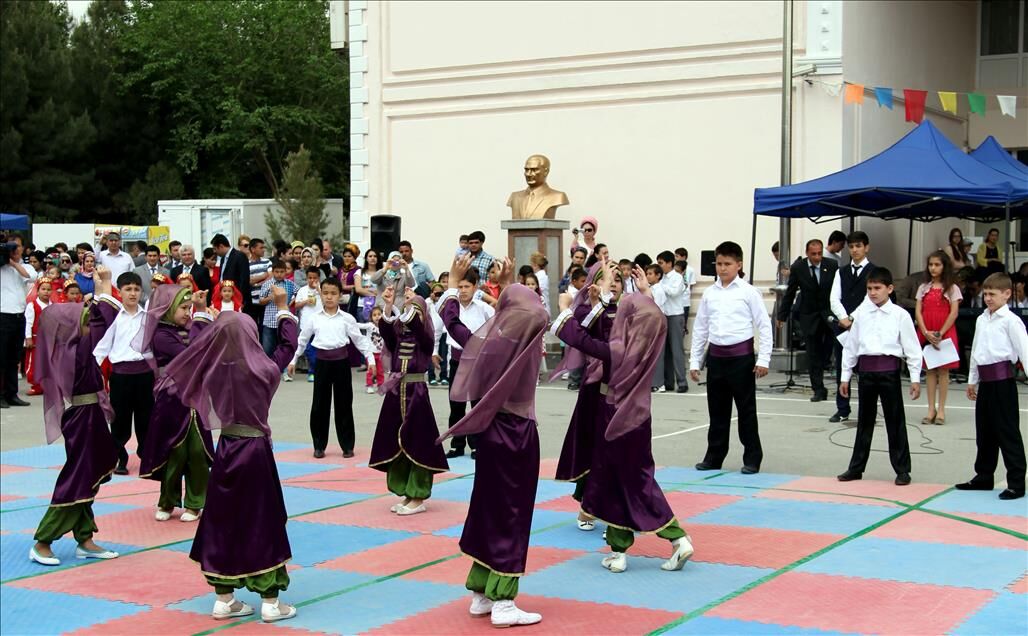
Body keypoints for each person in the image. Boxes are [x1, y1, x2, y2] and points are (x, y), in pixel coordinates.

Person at [553, 262, 694, 574]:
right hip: (637, 414)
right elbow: (646, 318)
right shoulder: (644, 339)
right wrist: (644, 294)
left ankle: (677, 537)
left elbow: (581, 338)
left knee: (634, 482)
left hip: (615, 414)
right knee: (617, 479)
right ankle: (619, 551)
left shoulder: (618, 351)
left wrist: (564, 309)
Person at [167, 292, 299, 623]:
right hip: (255, 452)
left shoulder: (210, 371)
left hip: (226, 449)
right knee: (262, 520)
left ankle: (223, 599)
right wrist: (282, 309)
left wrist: (201, 316)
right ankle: (270, 601)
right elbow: (288, 345)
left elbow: (197, 343)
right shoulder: (264, 370)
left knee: (222, 519)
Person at [438, 255, 547, 628]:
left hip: (488, 434)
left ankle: (481, 592)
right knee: (513, 513)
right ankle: (503, 601)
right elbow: (535, 312)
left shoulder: (487, 344)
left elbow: (454, 322)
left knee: (487, 508)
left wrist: (455, 286)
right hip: (516, 435)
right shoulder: (527, 340)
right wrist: (505, 286)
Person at [29, 268, 121, 566]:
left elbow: (99, 320)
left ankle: (84, 538)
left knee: (89, 473)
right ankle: (43, 540)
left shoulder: (71, 348)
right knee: (77, 477)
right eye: (82, 321)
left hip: (90, 414)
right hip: (83, 418)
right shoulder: (74, 350)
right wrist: (105, 283)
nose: (87, 324)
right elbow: (104, 317)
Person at [690, 241, 773, 474]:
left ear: (739, 264)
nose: (723, 268)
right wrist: (695, 361)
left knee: (746, 411)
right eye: (719, 263)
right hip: (716, 358)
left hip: (741, 359)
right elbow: (701, 329)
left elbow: (764, 326)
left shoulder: (749, 292)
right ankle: (714, 456)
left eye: (727, 264)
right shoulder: (709, 294)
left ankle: (752, 457)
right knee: (717, 411)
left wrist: (763, 359)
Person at [136, 285, 216, 523]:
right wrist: (202, 317)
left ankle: (195, 503)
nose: (187, 313)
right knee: (174, 451)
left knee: (197, 452)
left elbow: (207, 348)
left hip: (195, 399)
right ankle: (167, 501)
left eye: (190, 308)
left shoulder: (190, 328)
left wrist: (201, 316)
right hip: (172, 401)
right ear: (168, 308)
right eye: (183, 307)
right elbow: (191, 352)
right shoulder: (161, 334)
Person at [369, 287, 449, 515]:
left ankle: (419, 494)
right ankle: (406, 492)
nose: (409, 314)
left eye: (415, 310)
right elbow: (385, 330)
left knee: (418, 442)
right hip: (396, 393)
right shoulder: (398, 336)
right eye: (407, 310)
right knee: (397, 441)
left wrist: (414, 303)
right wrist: (389, 305)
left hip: (416, 394)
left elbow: (417, 326)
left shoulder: (425, 338)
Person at [550, 262, 618, 530]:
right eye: (606, 278)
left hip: (619, 387)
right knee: (591, 443)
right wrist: (596, 303)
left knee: (614, 449)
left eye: (617, 279)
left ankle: (612, 510)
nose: (613, 283)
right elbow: (579, 333)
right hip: (594, 385)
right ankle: (587, 504)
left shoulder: (625, 310)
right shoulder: (585, 308)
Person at [837, 268, 921, 486]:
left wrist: (914, 378)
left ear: (889, 289)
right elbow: (851, 347)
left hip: (888, 371)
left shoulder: (900, 315)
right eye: (870, 289)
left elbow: (912, 348)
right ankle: (856, 468)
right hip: (866, 372)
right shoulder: (861, 315)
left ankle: (902, 470)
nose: (873, 293)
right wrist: (845, 377)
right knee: (864, 421)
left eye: (878, 288)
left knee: (895, 421)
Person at [957, 273, 1027, 500]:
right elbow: (977, 351)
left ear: (1007, 294)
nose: (987, 298)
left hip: (1003, 382)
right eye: (985, 294)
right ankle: (984, 476)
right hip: (986, 383)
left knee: (1007, 432)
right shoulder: (981, 319)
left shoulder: (1011, 321)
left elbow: (1025, 352)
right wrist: (972, 380)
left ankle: (1016, 482)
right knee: (984, 432)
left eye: (992, 294)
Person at [289, 278, 376, 459]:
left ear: (340, 295)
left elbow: (359, 340)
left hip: (341, 363)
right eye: (326, 293)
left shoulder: (347, 319)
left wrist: (370, 360)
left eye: (333, 293)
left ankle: (347, 445)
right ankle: (319, 445)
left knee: (344, 404)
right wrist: (293, 360)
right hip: (322, 364)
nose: (329, 297)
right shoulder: (314, 318)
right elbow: (302, 340)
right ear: (321, 294)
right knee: (320, 405)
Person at [93, 271, 153, 475]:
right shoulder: (115, 318)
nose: (133, 293)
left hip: (145, 374)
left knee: (146, 418)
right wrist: (93, 369)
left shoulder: (148, 317)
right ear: (120, 292)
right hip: (120, 375)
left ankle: (147, 455)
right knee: (119, 419)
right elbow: (102, 346)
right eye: (128, 289)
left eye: (136, 289)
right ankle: (119, 457)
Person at [438, 268, 494, 459]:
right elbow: (438, 331)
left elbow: (498, 329)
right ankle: (457, 444)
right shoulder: (451, 308)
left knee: (477, 403)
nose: (462, 290)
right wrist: (434, 352)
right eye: (459, 286)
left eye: (467, 286)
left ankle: (477, 444)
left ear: (475, 287)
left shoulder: (483, 308)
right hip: (456, 360)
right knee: (456, 404)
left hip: (478, 360)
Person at [778, 239, 838, 402]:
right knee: (813, 353)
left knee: (830, 348)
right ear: (807, 253)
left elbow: (839, 290)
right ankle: (818, 389)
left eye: (819, 253)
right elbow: (790, 292)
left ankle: (831, 374)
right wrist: (782, 315)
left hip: (829, 313)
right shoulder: (799, 268)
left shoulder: (832, 265)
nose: (817, 257)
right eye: (813, 254)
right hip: (809, 315)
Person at [829, 231, 876, 423]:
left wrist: (852, 318)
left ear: (866, 247)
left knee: (864, 370)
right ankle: (842, 408)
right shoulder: (841, 272)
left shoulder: (874, 271)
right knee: (843, 366)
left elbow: (870, 299)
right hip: (844, 328)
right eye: (852, 246)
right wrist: (843, 318)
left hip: (864, 325)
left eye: (858, 246)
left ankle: (867, 410)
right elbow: (833, 298)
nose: (855, 250)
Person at [915, 251, 962, 425]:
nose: (933, 268)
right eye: (931, 265)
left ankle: (941, 410)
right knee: (929, 371)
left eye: (937, 264)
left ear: (944, 266)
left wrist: (940, 333)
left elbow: (954, 312)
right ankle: (930, 409)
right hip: (927, 330)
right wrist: (925, 331)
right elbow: (918, 311)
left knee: (943, 371)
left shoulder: (952, 288)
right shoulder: (923, 287)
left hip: (944, 331)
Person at [655, 251, 688, 393]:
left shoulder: (676, 277)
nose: (659, 266)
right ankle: (668, 382)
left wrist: (660, 286)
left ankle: (682, 382)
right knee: (664, 350)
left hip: (675, 315)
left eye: (661, 263)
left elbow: (675, 292)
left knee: (677, 349)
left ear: (669, 263)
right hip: (663, 315)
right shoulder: (660, 279)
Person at [258, 259, 297, 363]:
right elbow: (260, 301)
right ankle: (267, 369)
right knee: (267, 349)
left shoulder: (290, 284)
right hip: (269, 322)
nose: (279, 274)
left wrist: (291, 302)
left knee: (283, 348)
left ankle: (282, 369)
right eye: (277, 272)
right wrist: (270, 297)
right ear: (273, 271)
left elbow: (299, 293)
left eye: (281, 272)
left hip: (283, 321)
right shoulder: (267, 284)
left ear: (285, 272)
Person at [23, 277, 55, 396]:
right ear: (38, 290)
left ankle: (48, 385)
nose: (46, 292)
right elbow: (28, 323)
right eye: (43, 289)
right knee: (35, 362)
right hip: (36, 339)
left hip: (50, 340)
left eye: (48, 289)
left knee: (49, 362)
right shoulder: (32, 305)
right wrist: (28, 337)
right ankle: (36, 385)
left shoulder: (53, 305)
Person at [293, 267, 324, 382]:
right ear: (306, 278)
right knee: (308, 349)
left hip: (320, 324)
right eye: (309, 278)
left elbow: (327, 302)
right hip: (306, 324)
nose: (312, 280)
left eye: (314, 278)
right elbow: (296, 305)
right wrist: (306, 301)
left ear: (318, 278)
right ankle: (314, 370)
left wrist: (319, 290)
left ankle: (314, 372)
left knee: (319, 349)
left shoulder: (322, 289)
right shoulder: (302, 290)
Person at [211, 234, 251, 318]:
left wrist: (241, 301)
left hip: (237, 300)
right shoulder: (222, 259)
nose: (214, 252)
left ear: (221, 246)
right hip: (225, 300)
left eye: (215, 248)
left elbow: (244, 280)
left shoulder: (239, 256)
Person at [361, 306, 386, 393]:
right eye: (374, 315)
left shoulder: (384, 327)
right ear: (371, 318)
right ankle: (369, 385)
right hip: (371, 353)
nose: (377, 317)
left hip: (380, 353)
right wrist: (351, 324)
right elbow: (360, 325)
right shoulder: (370, 326)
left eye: (379, 314)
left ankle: (381, 385)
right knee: (371, 370)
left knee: (380, 371)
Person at [354, 249, 381, 321]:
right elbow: (358, 289)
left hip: (378, 306)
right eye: (370, 256)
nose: (373, 258)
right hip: (362, 306)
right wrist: (374, 293)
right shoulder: (359, 272)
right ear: (366, 258)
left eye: (375, 256)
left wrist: (366, 290)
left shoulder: (382, 273)